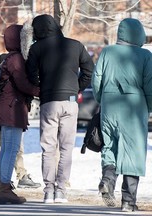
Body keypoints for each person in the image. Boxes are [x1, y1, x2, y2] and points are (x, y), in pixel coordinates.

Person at [26, 14, 94, 203]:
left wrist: (41, 86)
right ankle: (61, 190)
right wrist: (77, 87)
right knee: (66, 148)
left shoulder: (36, 48)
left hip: (49, 101)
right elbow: (89, 70)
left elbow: (30, 74)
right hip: (70, 101)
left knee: (48, 148)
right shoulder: (76, 45)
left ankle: (48, 190)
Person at [92, 18, 152, 212]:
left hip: (109, 105)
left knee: (109, 145)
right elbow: (150, 85)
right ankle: (128, 201)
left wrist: (102, 98)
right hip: (134, 106)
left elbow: (96, 80)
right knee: (132, 151)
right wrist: (148, 107)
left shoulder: (107, 52)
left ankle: (108, 180)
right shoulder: (145, 55)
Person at [0, 24, 40, 205]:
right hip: (12, 109)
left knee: (7, 148)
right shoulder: (16, 59)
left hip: (7, 107)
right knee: (11, 149)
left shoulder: (9, 58)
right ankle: (5, 189)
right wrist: (40, 90)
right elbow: (23, 84)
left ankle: (4, 188)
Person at [0, 53, 41, 189]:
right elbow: (21, 86)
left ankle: (16, 176)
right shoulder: (6, 76)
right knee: (7, 148)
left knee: (9, 148)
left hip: (1, 117)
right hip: (8, 116)